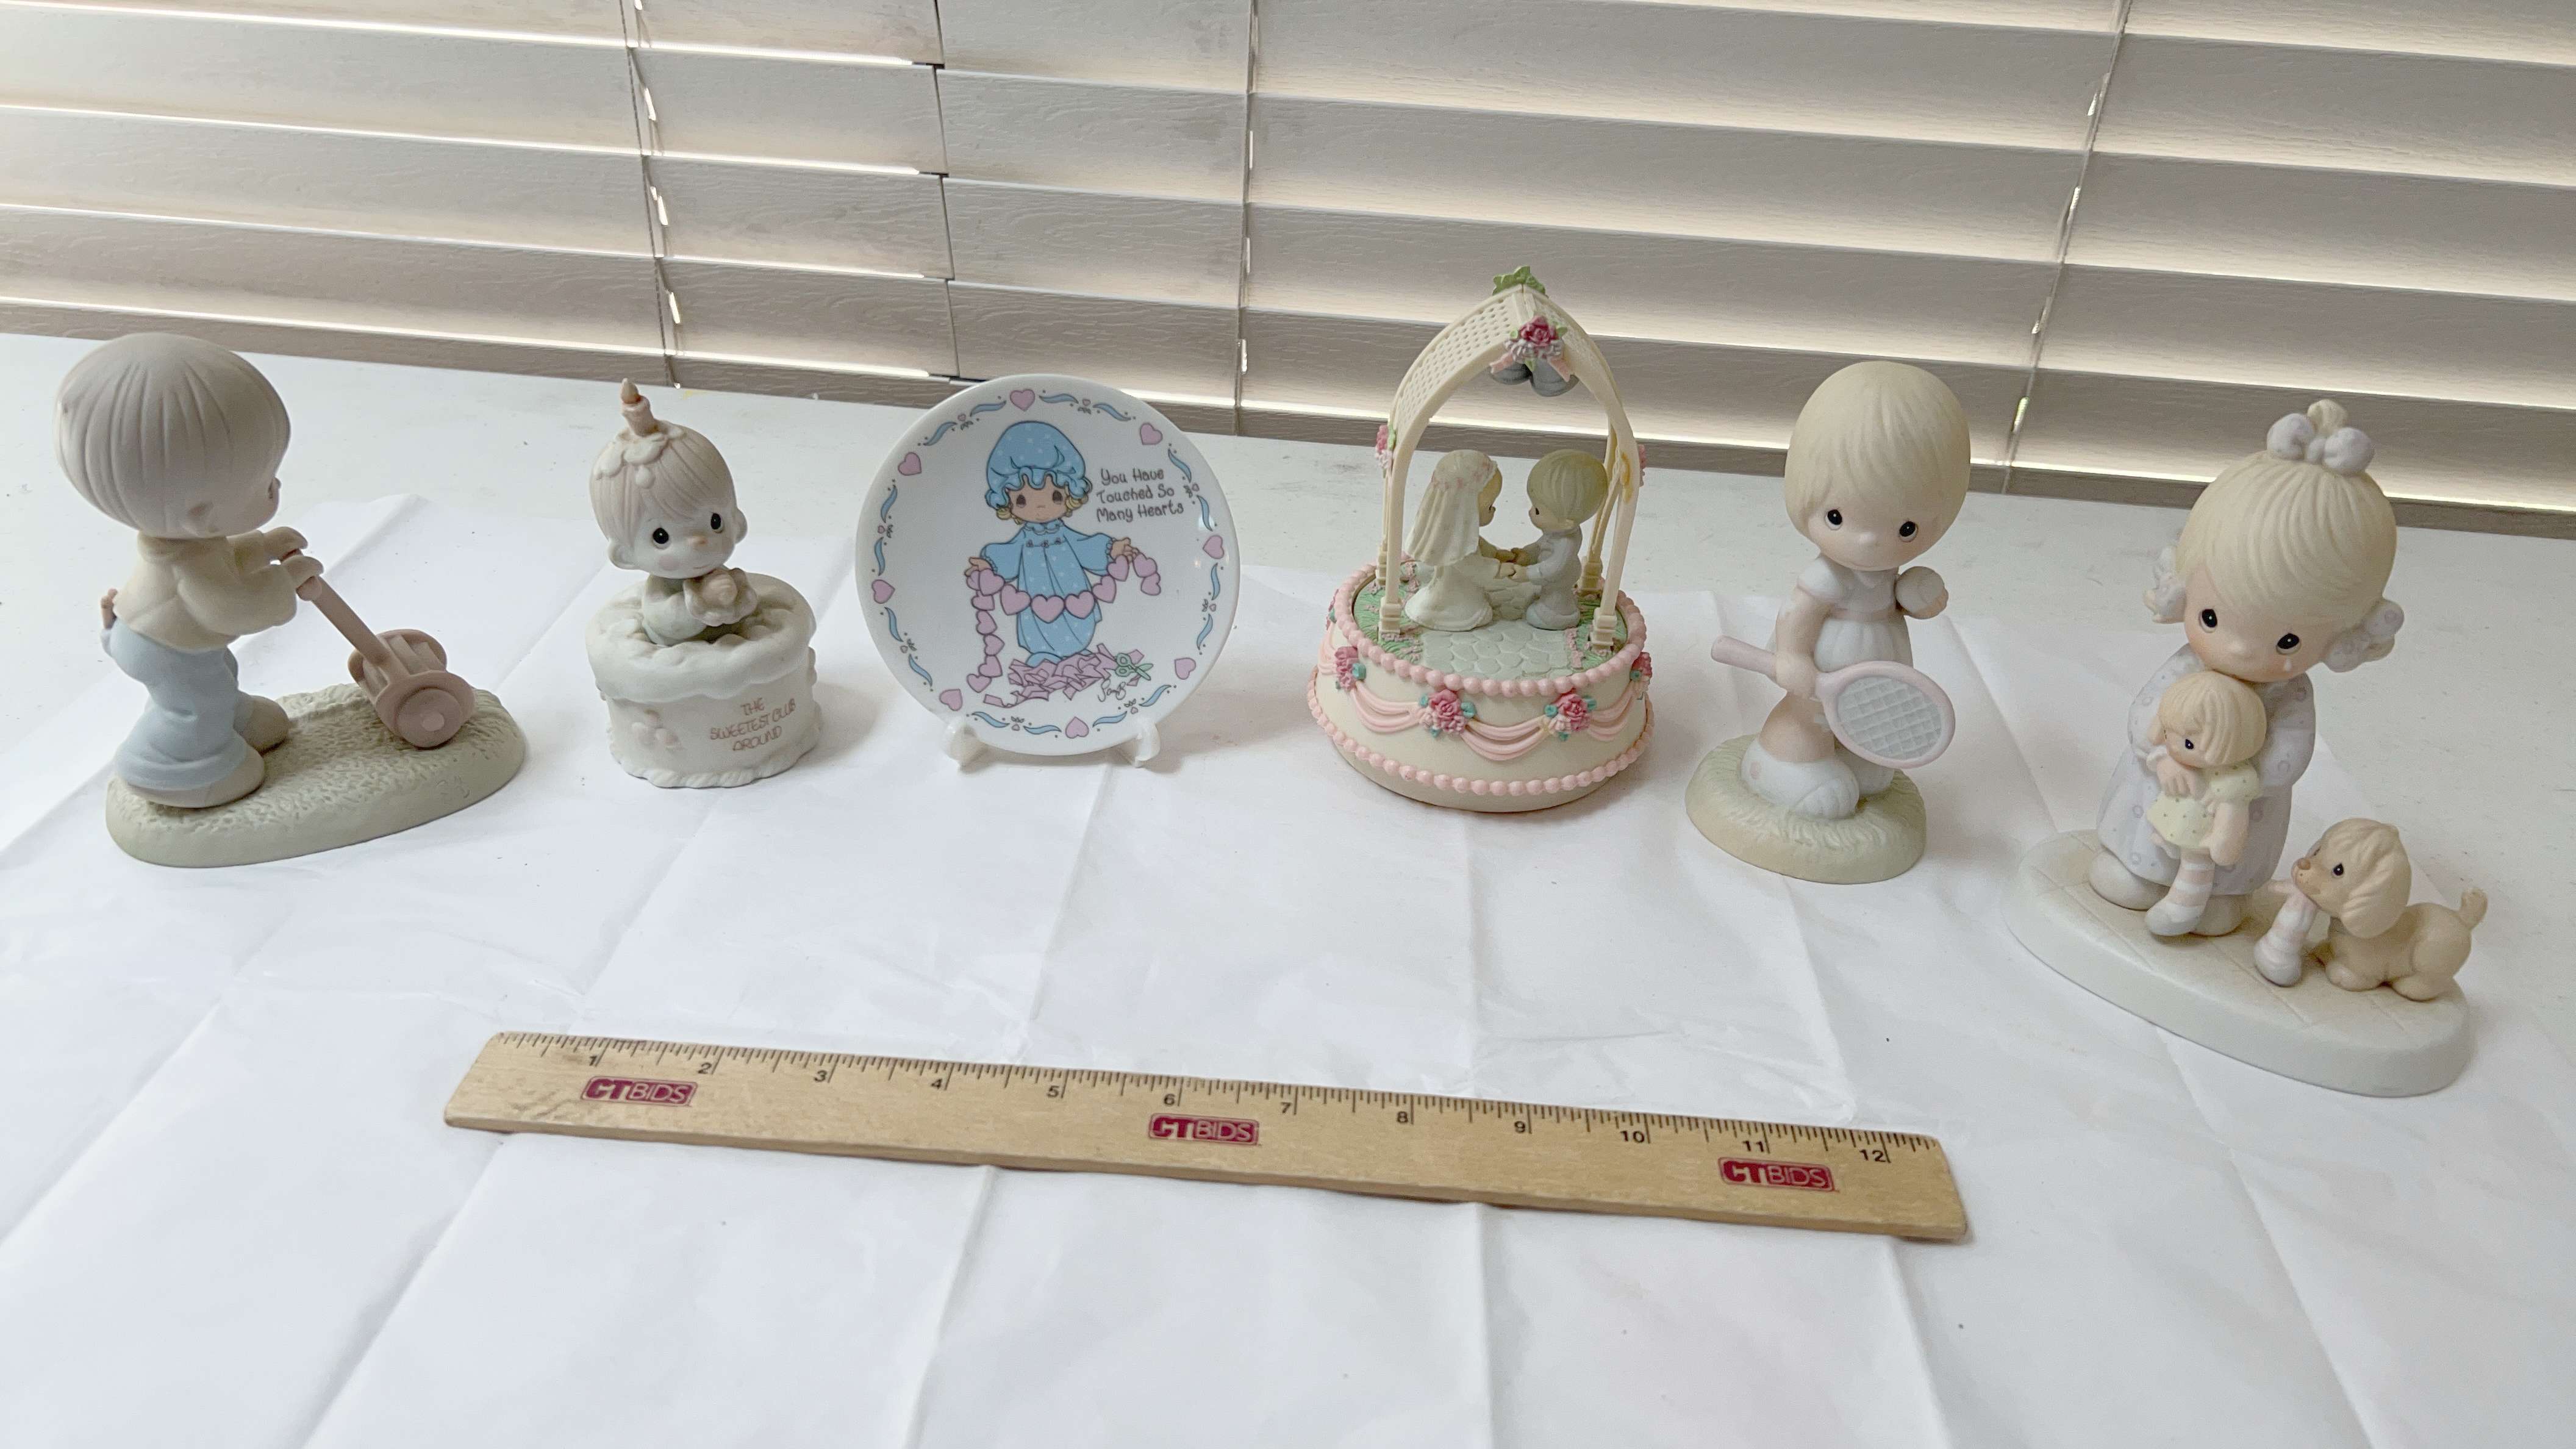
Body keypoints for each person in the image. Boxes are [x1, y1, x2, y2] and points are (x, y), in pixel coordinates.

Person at [2091, 401, 2402, 935]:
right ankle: (2139, 870)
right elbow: (2149, 712)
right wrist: (2161, 755)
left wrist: (2241, 780)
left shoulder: (2288, 693)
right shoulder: (2189, 665)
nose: (2237, 650)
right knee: (2139, 855)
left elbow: (2291, 751)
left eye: (2286, 640)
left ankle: (2218, 896)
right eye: (2211, 618)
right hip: (2166, 788)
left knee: (2224, 881)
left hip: (2238, 807)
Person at [59, 334, 316, 809]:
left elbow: (224, 562)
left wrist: (263, 547)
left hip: (152, 634)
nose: (276, 486)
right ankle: (168, 765)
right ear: (202, 518)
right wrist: (286, 581)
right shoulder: (189, 569)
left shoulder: (190, 545)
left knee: (218, 671)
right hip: (163, 649)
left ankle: (231, 719)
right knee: (195, 701)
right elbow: (233, 609)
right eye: (264, 484)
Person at [1740, 360, 1971, 819]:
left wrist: (1918, 593)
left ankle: (1851, 752)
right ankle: (1780, 760)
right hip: (1825, 662)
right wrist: (1793, 656)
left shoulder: (1886, 574)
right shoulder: (1828, 577)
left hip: (1875, 669)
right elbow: (1799, 614)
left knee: (1868, 723)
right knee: (1807, 716)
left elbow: (1904, 595)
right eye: (1837, 518)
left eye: (1905, 528)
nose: (1868, 542)